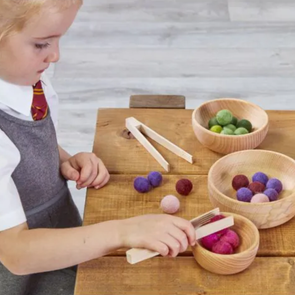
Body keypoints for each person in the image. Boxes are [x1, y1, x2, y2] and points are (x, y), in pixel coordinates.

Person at [0, 1, 196, 294]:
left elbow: (20, 146)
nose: (55, 55)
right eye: (41, 44)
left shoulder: (25, 78)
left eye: (58, 40)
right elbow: (16, 253)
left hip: (62, 241)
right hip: (24, 274)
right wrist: (124, 231)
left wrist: (61, 158)